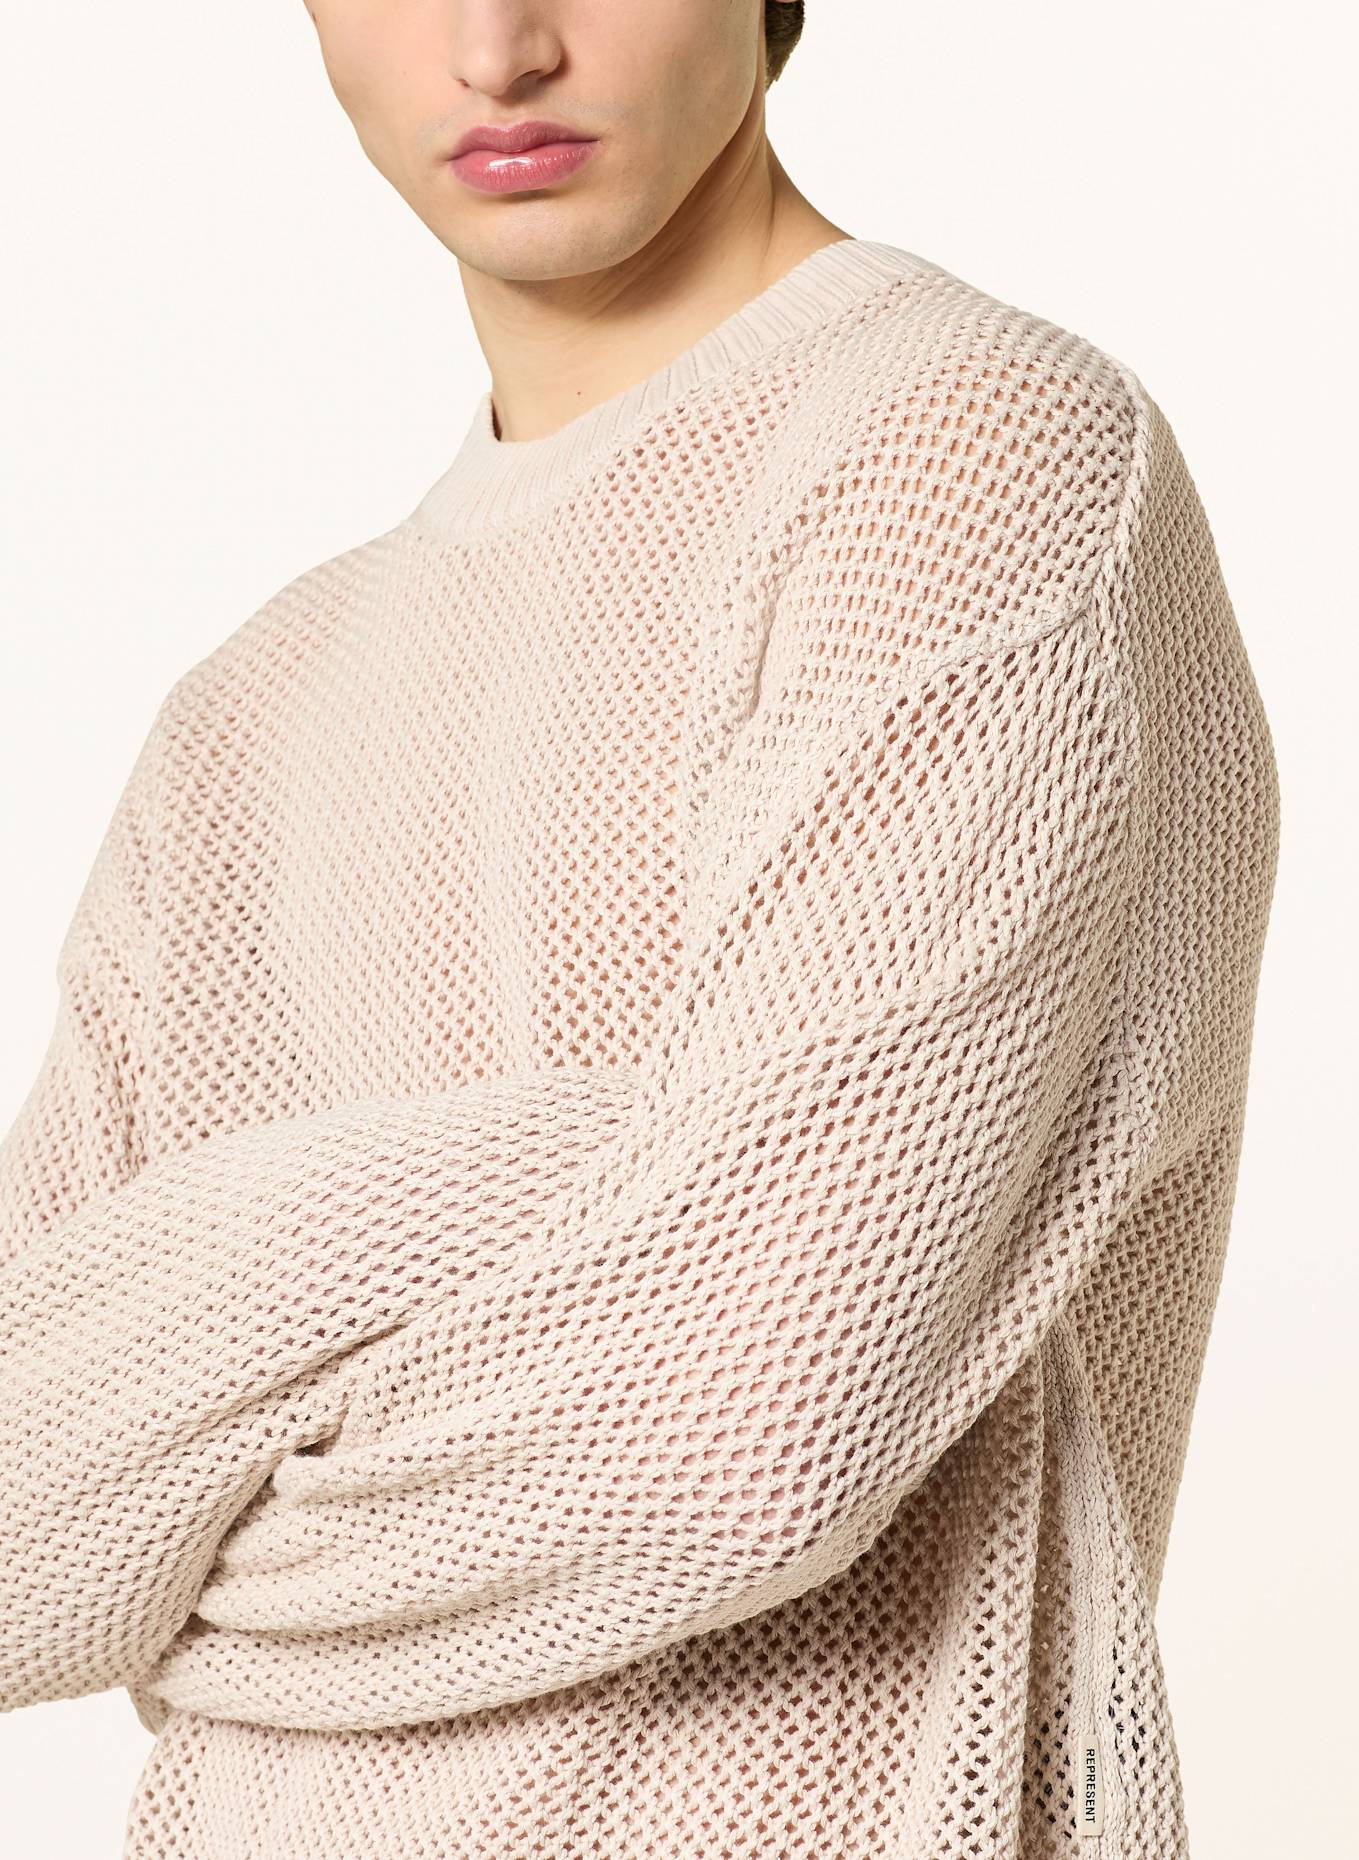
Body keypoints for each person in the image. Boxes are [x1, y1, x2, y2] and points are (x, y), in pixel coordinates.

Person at [0, 2, 1280, 1856]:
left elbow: (743, 1433)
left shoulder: (977, 454)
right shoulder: (247, 717)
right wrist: (618, 1185)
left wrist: (195, 1469)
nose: (497, 48)